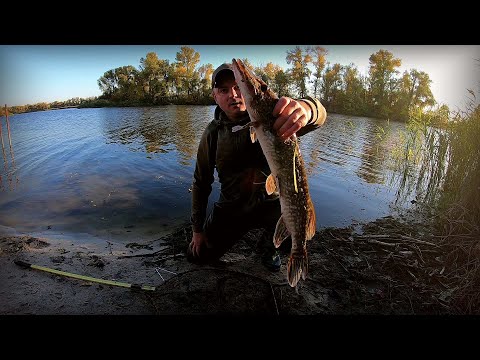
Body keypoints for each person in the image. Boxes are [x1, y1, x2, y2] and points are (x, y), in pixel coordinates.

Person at [187, 62, 327, 271]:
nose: (233, 95)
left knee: (294, 237)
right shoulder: (212, 134)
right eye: (224, 90)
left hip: (271, 206)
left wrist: (307, 109)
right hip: (232, 208)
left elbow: (320, 114)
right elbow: (201, 182)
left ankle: (269, 246)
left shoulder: (276, 119)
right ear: (215, 96)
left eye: (237, 88)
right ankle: (244, 236)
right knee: (197, 256)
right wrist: (197, 229)